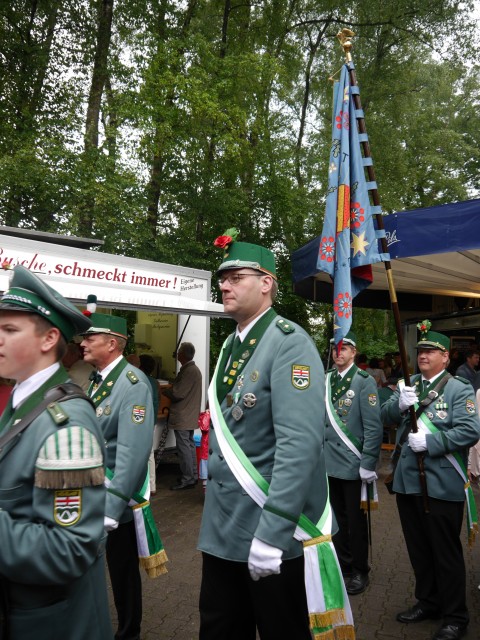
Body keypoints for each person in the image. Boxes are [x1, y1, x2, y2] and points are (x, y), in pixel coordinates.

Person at [197, 231, 347, 640]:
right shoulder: (231, 346)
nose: (224, 285)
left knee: (282, 630)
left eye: (236, 277)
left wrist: (273, 532)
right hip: (224, 527)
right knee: (219, 629)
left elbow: (299, 446)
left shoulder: (289, 343)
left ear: (266, 283)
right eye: (222, 279)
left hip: (268, 527)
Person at [0, 265, 113, 639]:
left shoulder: (67, 427)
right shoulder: (23, 400)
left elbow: (68, 549)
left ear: (49, 339)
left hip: (49, 622)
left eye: (9, 330)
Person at [381, 321, 480, 640]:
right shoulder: (408, 385)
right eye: (421, 351)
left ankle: (456, 616)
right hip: (408, 483)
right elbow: (384, 416)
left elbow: (470, 430)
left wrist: (432, 442)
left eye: (431, 351)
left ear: (446, 357)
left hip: (440, 484)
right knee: (419, 550)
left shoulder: (458, 388)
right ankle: (428, 602)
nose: (423, 355)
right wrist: (399, 404)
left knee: (445, 553)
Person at [80, 313, 155, 640]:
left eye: (89, 338)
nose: (82, 343)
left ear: (112, 343)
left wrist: (112, 508)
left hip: (115, 501)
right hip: (92, 493)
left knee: (123, 573)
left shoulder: (132, 384)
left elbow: (132, 452)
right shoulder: (97, 379)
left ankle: (128, 633)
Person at [325, 332, 383, 595]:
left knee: (355, 521)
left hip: (352, 463)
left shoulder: (364, 381)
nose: (339, 353)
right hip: (328, 462)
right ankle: (343, 565)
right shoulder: (326, 379)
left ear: (354, 352)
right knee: (335, 519)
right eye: (335, 349)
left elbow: (373, 426)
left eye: (344, 348)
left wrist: (368, 462)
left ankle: (360, 570)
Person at [162, 342, 202, 490]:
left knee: (184, 448)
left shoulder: (189, 371)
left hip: (183, 415)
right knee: (189, 446)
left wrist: (165, 391)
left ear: (183, 354)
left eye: (179, 351)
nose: (177, 354)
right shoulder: (192, 370)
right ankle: (192, 476)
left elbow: (178, 393)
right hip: (188, 415)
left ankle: (188, 478)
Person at [139, 354, 160, 494]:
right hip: (152, 421)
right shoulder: (155, 382)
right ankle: (152, 486)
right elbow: (157, 401)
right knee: (150, 454)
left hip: (141, 422)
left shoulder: (139, 380)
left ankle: (142, 486)